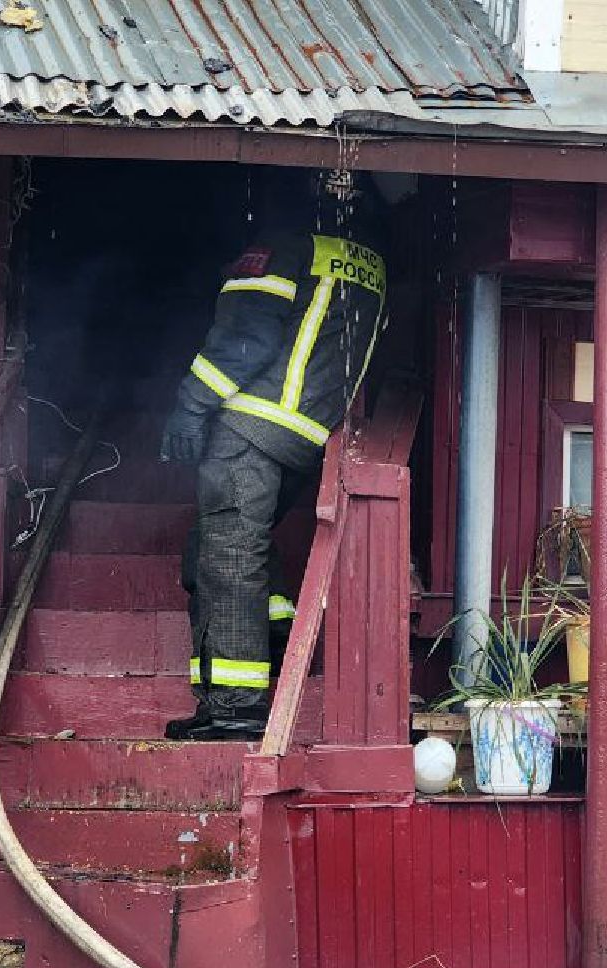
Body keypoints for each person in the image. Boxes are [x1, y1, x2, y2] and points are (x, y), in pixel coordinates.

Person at [160, 168, 391, 742]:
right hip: (305, 438)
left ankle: (236, 705)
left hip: (250, 428)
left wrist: (190, 405)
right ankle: (272, 644)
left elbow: (244, 339)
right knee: (215, 551)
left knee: (231, 557)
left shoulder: (286, 248)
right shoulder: (370, 264)